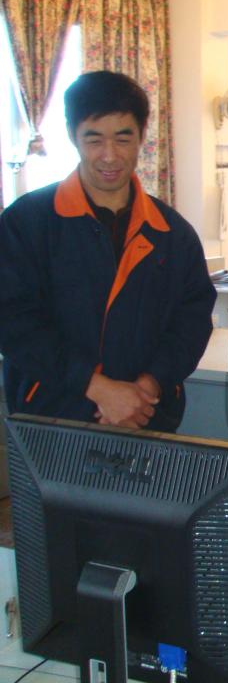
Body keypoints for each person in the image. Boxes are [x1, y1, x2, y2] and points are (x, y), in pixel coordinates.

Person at [0, 70, 215, 431]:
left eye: (123, 138)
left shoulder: (172, 233)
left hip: (147, 416)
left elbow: (191, 323)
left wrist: (147, 388)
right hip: (52, 418)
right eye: (94, 139)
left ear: (142, 136)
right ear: (73, 135)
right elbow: (13, 321)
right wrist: (97, 388)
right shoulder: (27, 222)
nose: (110, 156)